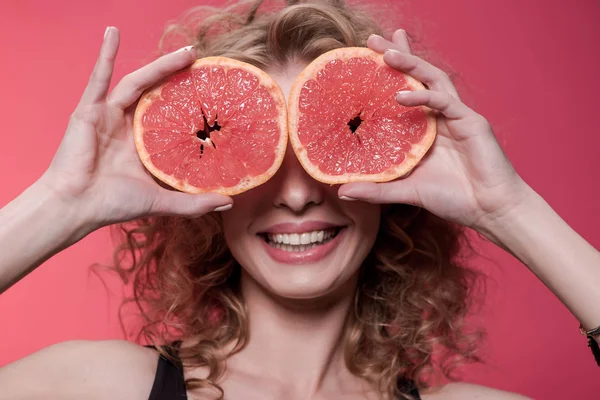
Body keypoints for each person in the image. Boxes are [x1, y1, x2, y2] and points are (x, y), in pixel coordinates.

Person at [0, 0, 598, 399]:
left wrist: (508, 209)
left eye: (328, 151)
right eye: (263, 157)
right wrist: (62, 200)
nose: (295, 195)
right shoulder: (98, 387)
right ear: (209, 188)